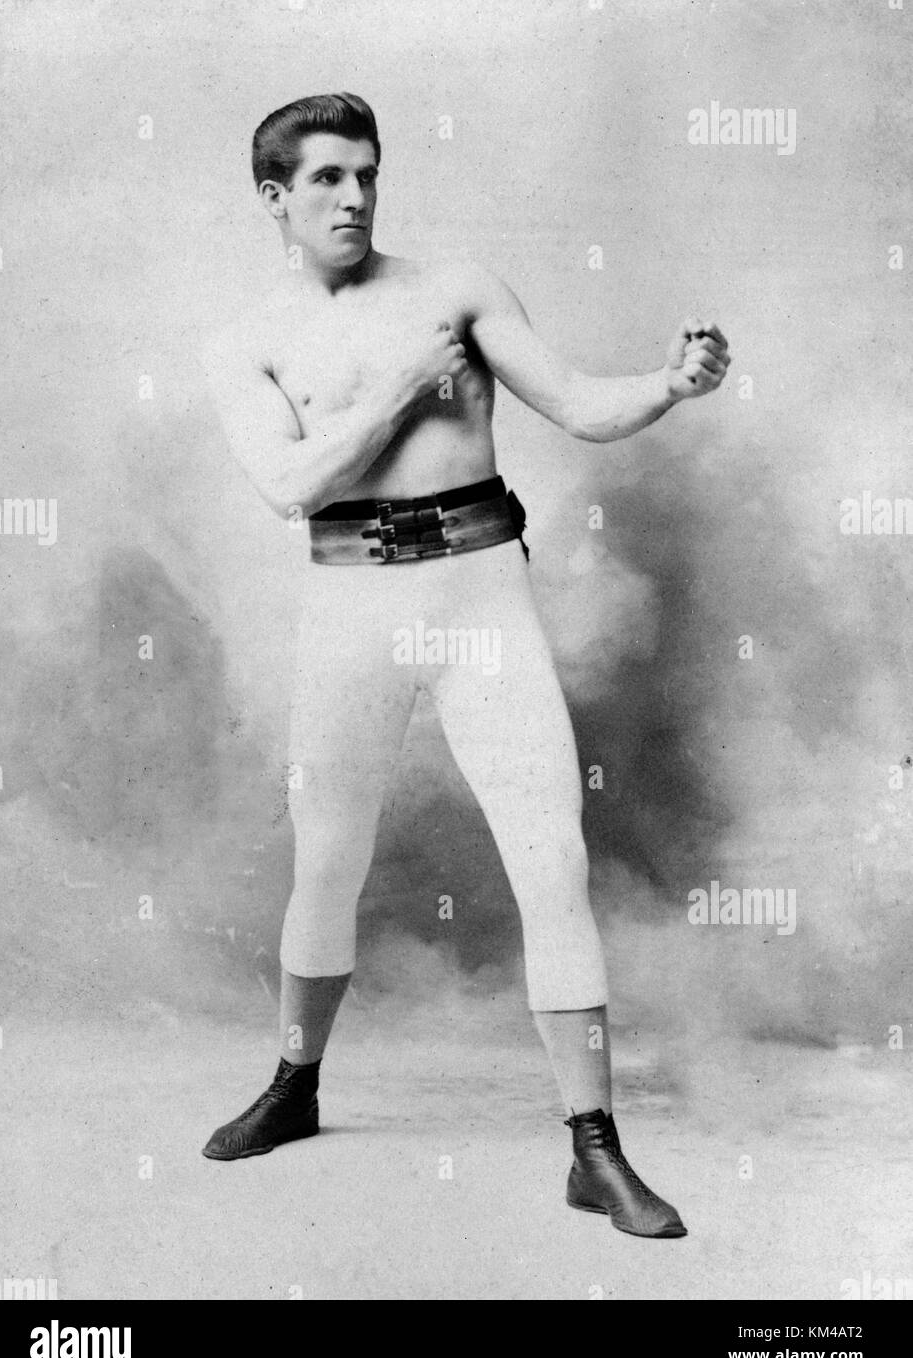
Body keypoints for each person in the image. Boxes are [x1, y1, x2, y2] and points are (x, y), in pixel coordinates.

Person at [201, 92, 730, 1239]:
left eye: (368, 174)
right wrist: (398, 388)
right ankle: (296, 1084)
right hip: (349, 606)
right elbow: (293, 487)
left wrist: (670, 386)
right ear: (274, 198)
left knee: (554, 858)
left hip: (482, 589)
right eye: (329, 177)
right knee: (328, 862)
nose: (354, 196)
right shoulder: (242, 339)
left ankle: (595, 1149)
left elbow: (581, 404)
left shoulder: (458, 288)